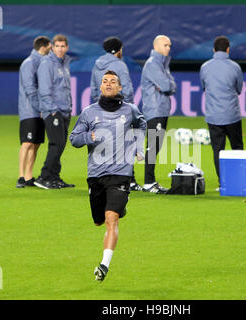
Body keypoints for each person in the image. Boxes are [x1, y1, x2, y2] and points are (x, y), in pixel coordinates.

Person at [70, 70, 146, 282]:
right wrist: (89, 136)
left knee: (111, 219)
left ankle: (104, 265)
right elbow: (74, 139)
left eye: (113, 81)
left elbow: (142, 124)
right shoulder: (88, 113)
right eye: (105, 81)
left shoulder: (130, 110)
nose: (109, 84)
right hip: (96, 175)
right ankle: (119, 206)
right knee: (99, 221)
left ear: (120, 88)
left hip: (121, 173)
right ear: (100, 87)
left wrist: (139, 147)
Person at [90, 36, 142, 191]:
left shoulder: (97, 65)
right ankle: (129, 180)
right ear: (118, 50)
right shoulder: (119, 65)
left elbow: (94, 89)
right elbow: (126, 88)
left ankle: (103, 178)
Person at [200, 35, 244, 190]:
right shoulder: (235, 67)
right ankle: (239, 181)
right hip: (232, 115)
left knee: (218, 150)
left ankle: (223, 183)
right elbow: (239, 89)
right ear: (228, 49)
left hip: (214, 116)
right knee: (237, 148)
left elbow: (204, 86)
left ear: (213, 50)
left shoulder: (205, 67)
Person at [34, 34, 75, 189]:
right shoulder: (47, 63)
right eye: (57, 46)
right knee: (56, 144)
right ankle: (44, 177)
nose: (60, 49)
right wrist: (52, 110)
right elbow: (44, 89)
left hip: (64, 110)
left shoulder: (64, 63)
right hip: (53, 111)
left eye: (63, 46)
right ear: (52, 46)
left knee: (61, 145)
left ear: (67, 47)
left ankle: (55, 177)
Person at [140, 35, 176, 194]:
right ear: (156, 46)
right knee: (153, 145)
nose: (168, 48)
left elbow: (171, 87)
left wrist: (167, 86)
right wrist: (167, 85)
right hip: (154, 110)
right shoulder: (153, 64)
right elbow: (166, 84)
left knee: (156, 145)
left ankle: (150, 180)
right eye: (165, 45)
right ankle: (148, 182)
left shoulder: (162, 64)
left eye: (169, 45)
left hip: (161, 109)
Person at [17, 36, 51, 188]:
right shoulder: (29, 63)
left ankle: (29, 176)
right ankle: (21, 176)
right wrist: (40, 108)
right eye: (50, 47)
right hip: (29, 110)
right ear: (43, 47)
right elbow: (30, 89)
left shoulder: (41, 62)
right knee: (27, 142)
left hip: (38, 111)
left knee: (36, 143)